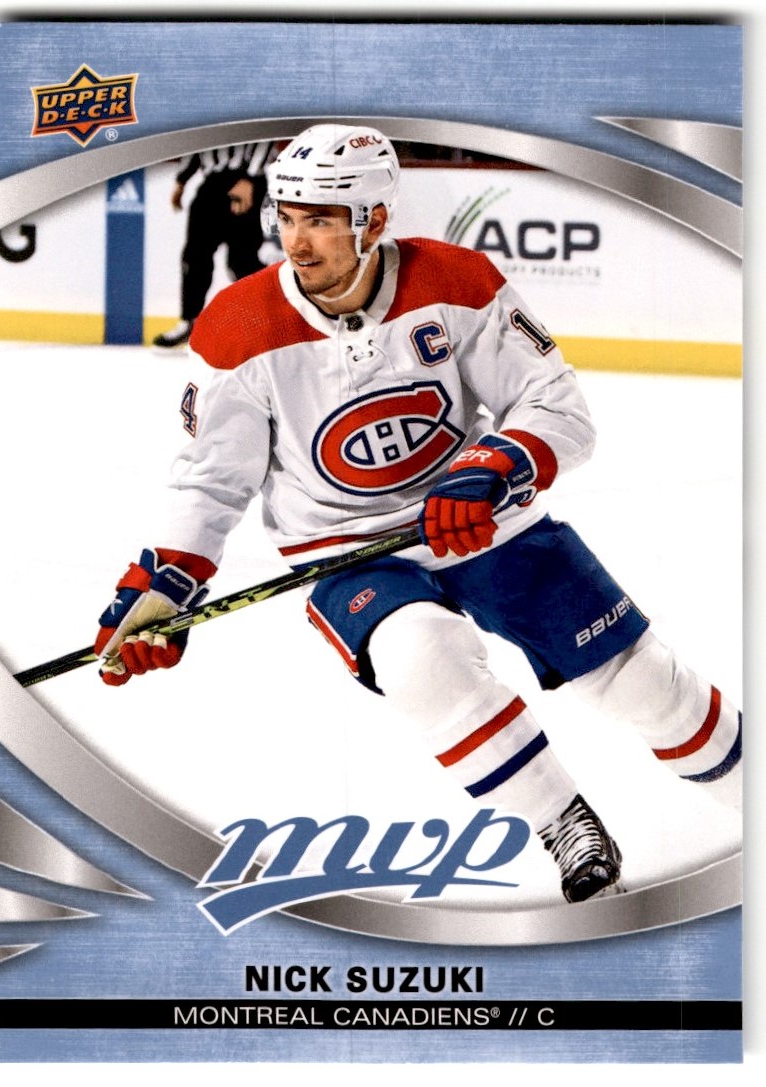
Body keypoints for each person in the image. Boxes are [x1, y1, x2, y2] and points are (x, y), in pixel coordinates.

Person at [96, 124, 742, 904]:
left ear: (373, 219)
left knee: (644, 685)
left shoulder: (455, 280)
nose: (296, 242)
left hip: (482, 522)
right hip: (348, 549)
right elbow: (208, 482)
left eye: (320, 220)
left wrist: (491, 467)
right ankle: (563, 821)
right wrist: (164, 582)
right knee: (419, 660)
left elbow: (558, 407)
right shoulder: (238, 326)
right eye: (288, 216)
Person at [152, 142, 277, 350]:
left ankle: (268, 324)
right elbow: (202, 136)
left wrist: (249, 177)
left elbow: (264, 134)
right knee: (195, 256)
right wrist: (182, 180)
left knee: (242, 262)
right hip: (212, 183)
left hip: (247, 180)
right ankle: (189, 321)